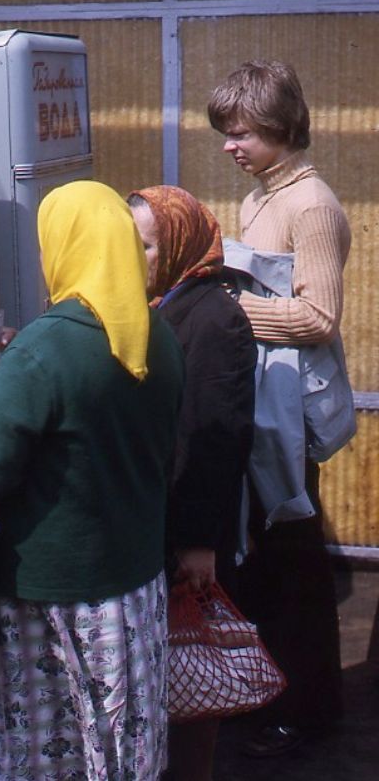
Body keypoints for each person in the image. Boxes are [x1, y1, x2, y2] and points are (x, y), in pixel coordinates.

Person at [0, 180, 185, 780]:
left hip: (47, 601)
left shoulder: (45, 348)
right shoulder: (160, 336)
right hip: (135, 592)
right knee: (118, 748)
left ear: (63, 246)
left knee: (44, 757)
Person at [208, 59, 351, 757]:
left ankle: (312, 708)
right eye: (226, 134)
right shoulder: (260, 197)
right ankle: (269, 692)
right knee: (261, 556)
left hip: (290, 415)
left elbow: (319, 316)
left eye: (240, 133)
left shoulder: (311, 203)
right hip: (260, 402)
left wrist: (230, 313)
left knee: (294, 560)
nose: (230, 146)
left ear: (278, 125)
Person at [127, 185, 257, 781]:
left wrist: (199, 541)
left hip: (188, 529)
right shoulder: (162, 304)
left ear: (179, 244)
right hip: (165, 518)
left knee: (190, 666)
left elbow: (213, 439)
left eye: (147, 246)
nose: (136, 257)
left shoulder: (214, 318)